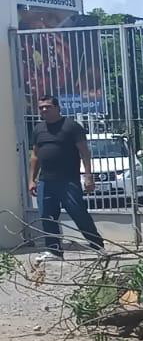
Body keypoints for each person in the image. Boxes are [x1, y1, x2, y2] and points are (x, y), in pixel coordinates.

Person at [29, 96, 105, 259]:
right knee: (47, 216)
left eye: (47, 107)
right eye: (41, 107)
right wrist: (31, 180)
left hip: (68, 181)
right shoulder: (38, 129)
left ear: (57, 108)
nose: (44, 110)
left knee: (78, 213)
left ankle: (97, 245)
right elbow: (35, 156)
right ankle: (54, 250)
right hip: (45, 181)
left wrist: (88, 176)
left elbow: (84, 152)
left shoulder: (71, 127)